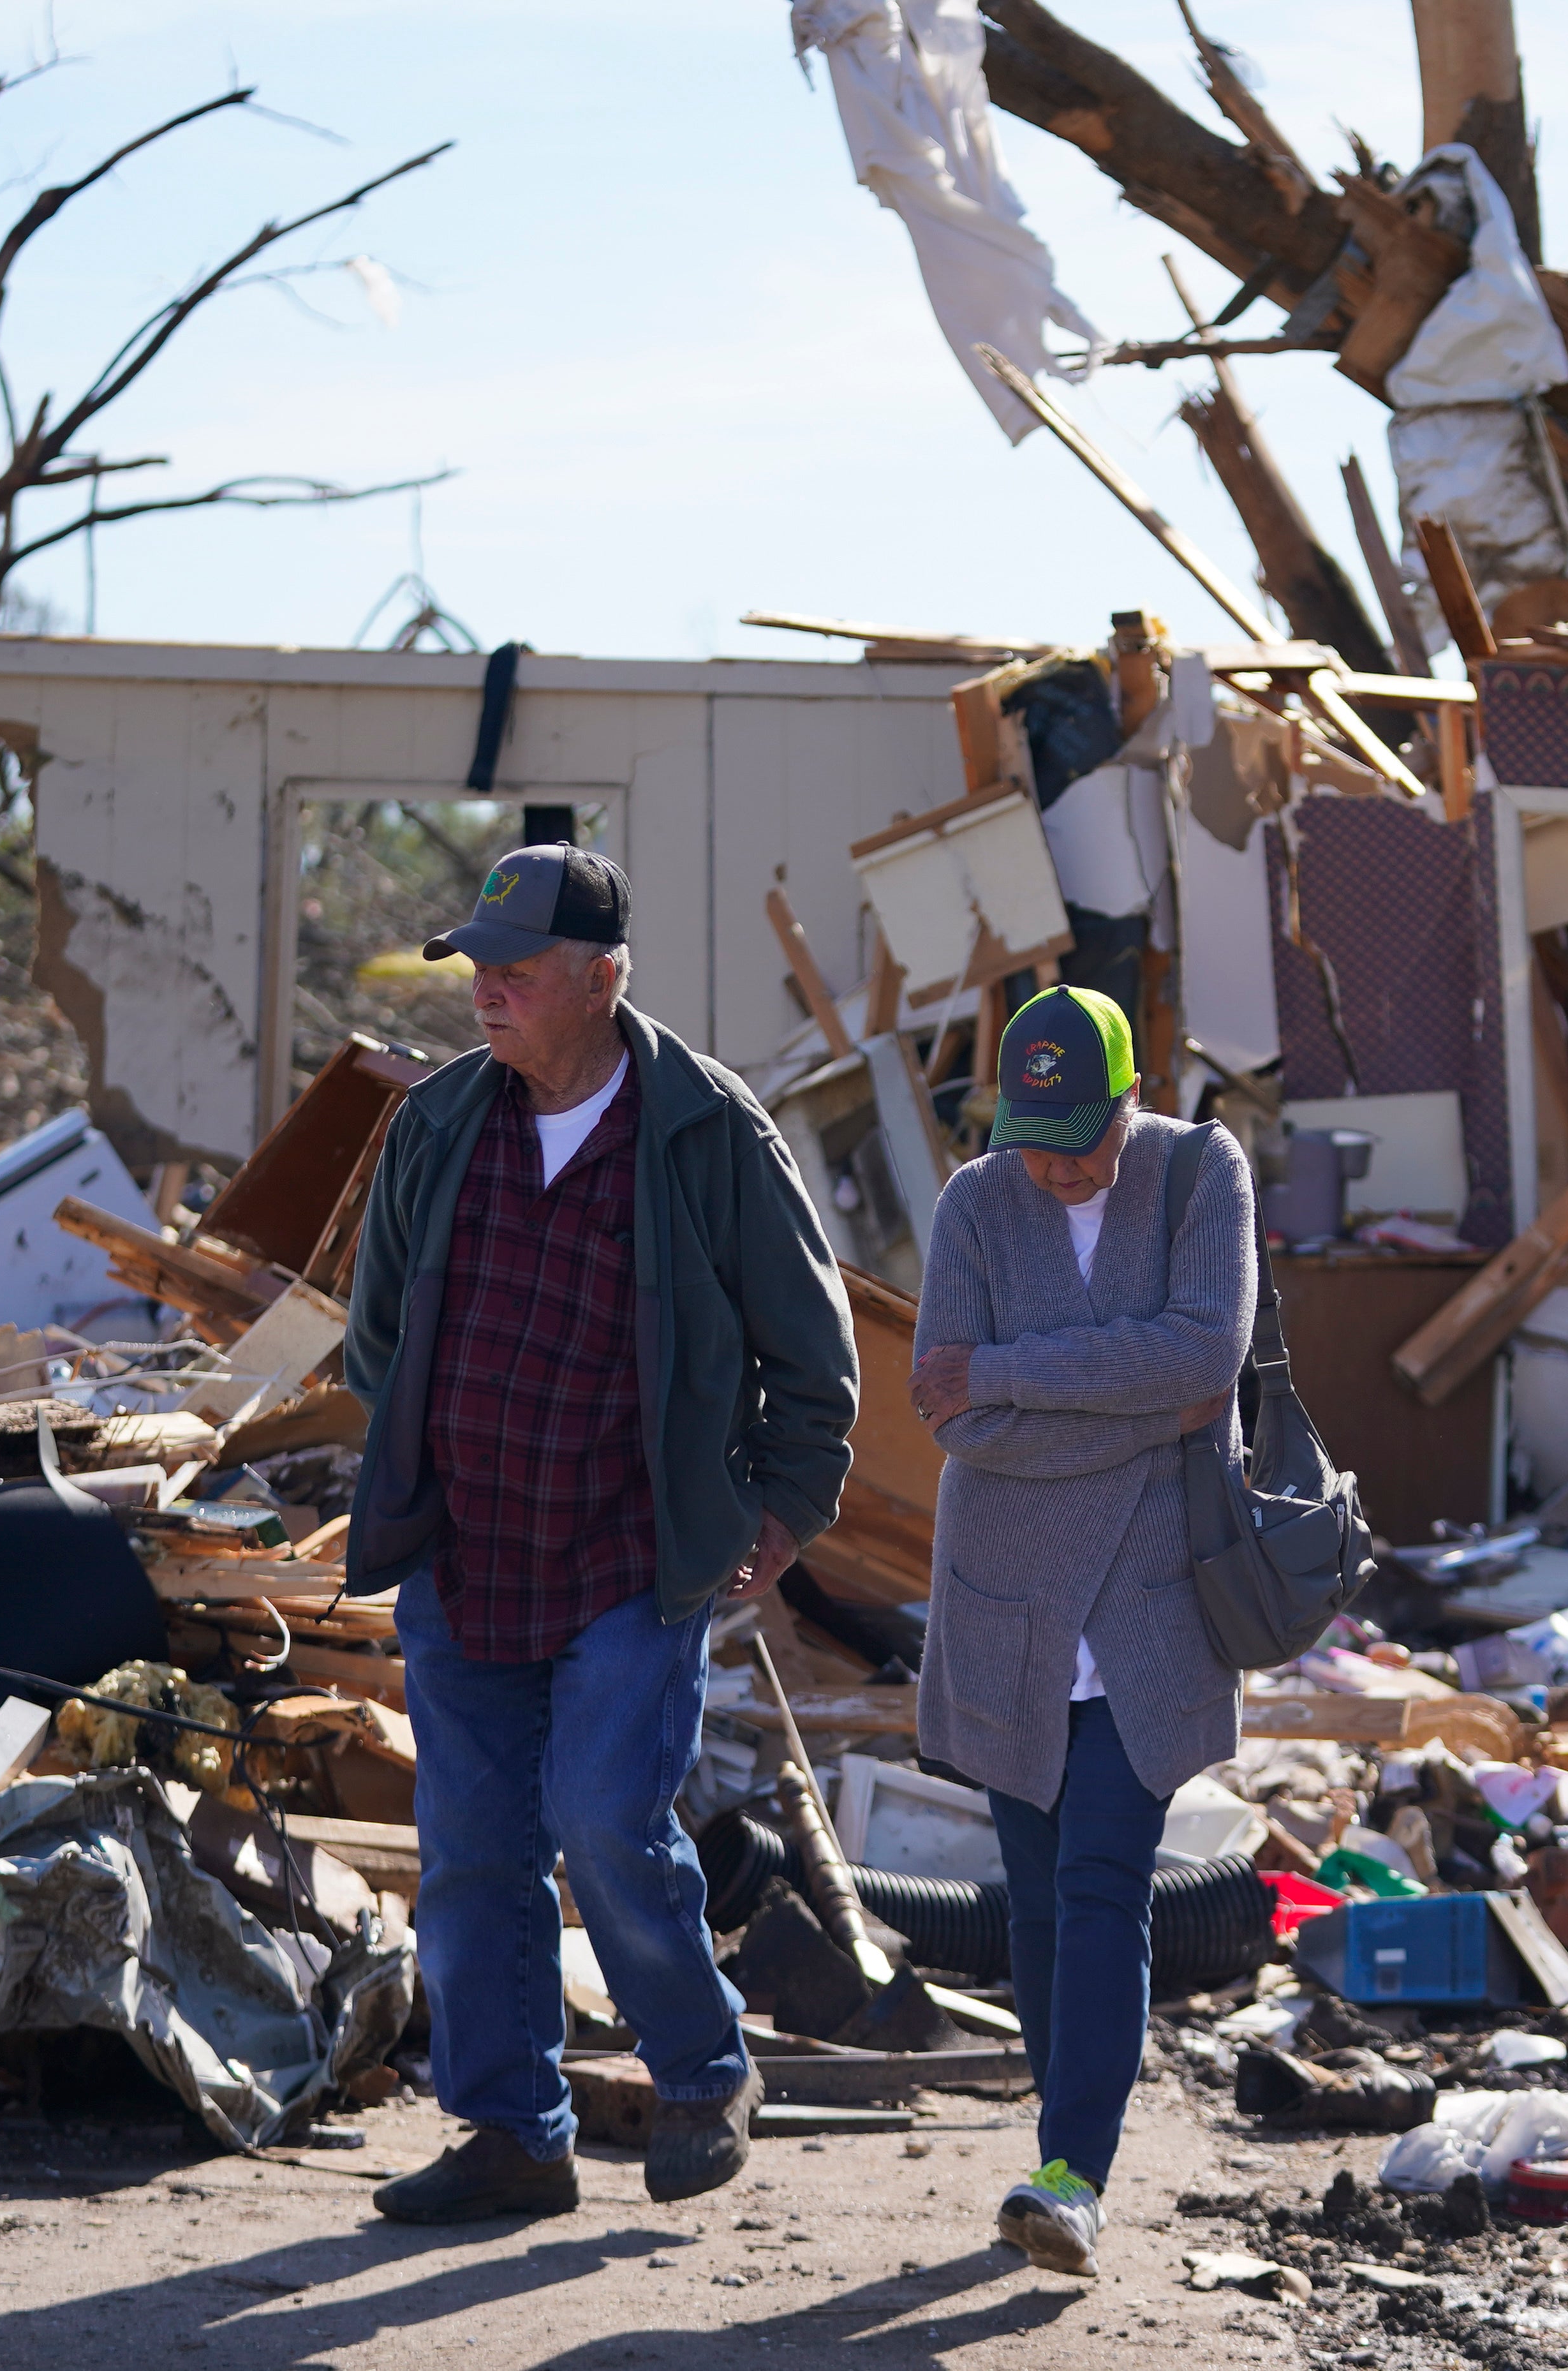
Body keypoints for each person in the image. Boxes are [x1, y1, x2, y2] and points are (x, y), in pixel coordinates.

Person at [341, 844, 860, 2224]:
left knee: (602, 1819)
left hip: (632, 1553)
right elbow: (377, 1328)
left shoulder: (707, 1131)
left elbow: (812, 1350)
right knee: (467, 1850)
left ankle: (701, 2072)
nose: (488, 996)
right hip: (468, 1551)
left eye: (517, 974)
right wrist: (415, 1449)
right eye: (480, 971)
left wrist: (789, 1503)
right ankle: (515, 2134)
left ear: (602, 978)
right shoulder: (442, 1121)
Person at [907, 985, 1254, 2277]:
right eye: (1030, 1136)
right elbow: (947, 1414)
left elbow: (1207, 1352)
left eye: (1076, 1135)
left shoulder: (1200, 1174)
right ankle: (1058, 2156)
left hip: (1152, 1608)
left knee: (1106, 1885)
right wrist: (1135, 1405)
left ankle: (1072, 2173)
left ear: (1130, 1098)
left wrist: (1012, 1373)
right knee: (1040, 1904)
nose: (1052, 1166)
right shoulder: (976, 1201)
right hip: (1009, 1606)